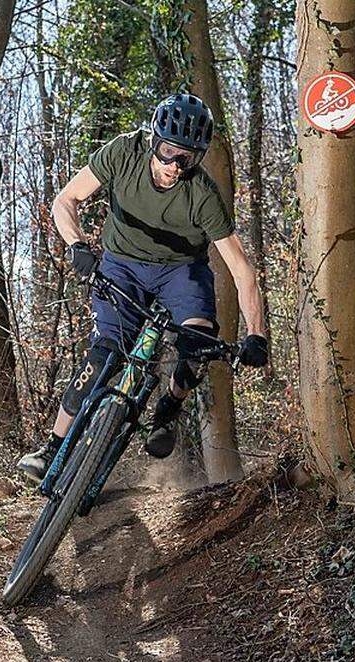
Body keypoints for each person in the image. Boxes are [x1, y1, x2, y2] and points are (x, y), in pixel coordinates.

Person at [17, 93, 269, 482]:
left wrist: (257, 335)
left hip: (181, 271)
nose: (174, 165)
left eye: (187, 157)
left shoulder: (202, 194)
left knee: (197, 342)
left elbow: (241, 270)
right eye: (168, 151)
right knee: (102, 356)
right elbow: (66, 199)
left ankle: (168, 409)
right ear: (154, 141)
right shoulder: (124, 152)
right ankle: (51, 449)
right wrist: (77, 245)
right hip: (123, 266)